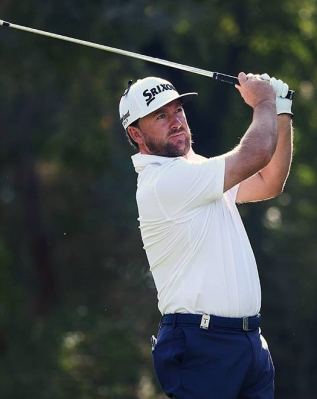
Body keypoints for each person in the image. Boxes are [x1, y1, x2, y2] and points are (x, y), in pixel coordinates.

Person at [119, 72, 293, 399]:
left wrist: (281, 111)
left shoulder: (198, 171)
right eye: (160, 115)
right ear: (136, 133)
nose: (176, 121)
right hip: (203, 345)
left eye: (178, 111)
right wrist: (265, 101)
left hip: (247, 341)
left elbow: (270, 181)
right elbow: (254, 155)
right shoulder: (163, 182)